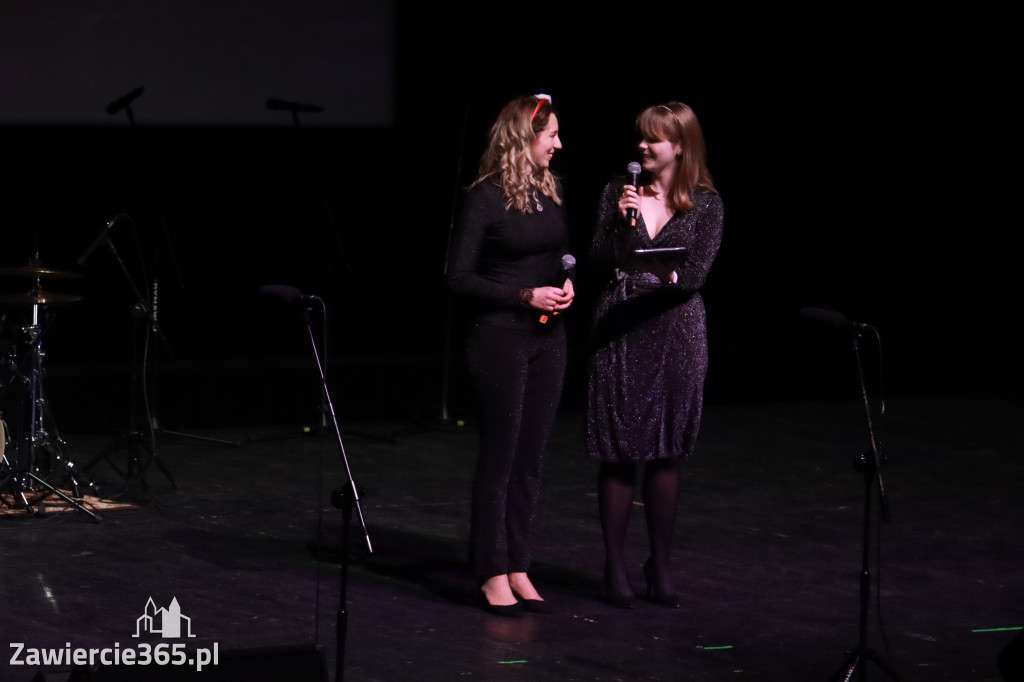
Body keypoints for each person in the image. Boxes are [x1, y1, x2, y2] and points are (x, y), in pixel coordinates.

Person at [585, 101, 723, 608]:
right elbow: (599, 259)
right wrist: (624, 225)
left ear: (680, 146)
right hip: (622, 326)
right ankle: (614, 565)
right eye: (640, 137)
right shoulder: (617, 193)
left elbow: (694, 275)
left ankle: (660, 564)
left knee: (666, 453)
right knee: (620, 451)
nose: (641, 146)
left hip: (676, 332)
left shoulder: (706, 203)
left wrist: (663, 272)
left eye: (653, 139)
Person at [446, 94, 575, 617]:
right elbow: (458, 277)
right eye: (552, 135)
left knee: (531, 457)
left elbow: (557, 253)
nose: (559, 144)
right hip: (499, 337)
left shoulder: (548, 190)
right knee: (500, 455)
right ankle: (491, 570)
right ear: (525, 137)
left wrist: (566, 283)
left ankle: (519, 563)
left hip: (549, 337)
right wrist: (524, 296)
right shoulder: (485, 197)